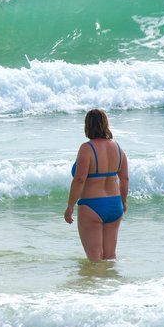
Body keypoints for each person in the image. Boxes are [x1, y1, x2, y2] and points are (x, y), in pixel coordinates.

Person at [64, 109, 130, 261]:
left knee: (94, 259)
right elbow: (125, 178)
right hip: (115, 205)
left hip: (92, 205)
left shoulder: (87, 148)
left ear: (87, 125)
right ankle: (109, 284)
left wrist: (70, 206)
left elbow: (80, 179)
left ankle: (96, 285)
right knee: (110, 257)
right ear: (106, 124)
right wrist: (124, 201)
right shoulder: (118, 148)